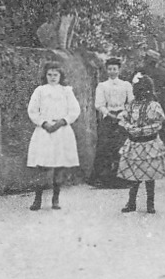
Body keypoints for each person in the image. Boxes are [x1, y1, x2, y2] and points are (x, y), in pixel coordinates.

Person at [26, 61, 81, 211]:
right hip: (44, 131)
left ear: (60, 76)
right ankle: (37, 199)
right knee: (42, 165)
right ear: (45, 75)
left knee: (59, 166)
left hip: (61, 131)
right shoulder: (40, 90)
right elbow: (32, 110)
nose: (52, 77)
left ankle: (55, 199)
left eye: (55, 75)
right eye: (49, 75)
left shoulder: (66, 91)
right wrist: (43, 123)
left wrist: (62, 122)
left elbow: (75, 110)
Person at [116, 74, 165, 214]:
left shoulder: (154, 106)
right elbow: (123, 119)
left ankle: (150, 204)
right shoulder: (132, 105)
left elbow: (158, 124)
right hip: (134, 144)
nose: (141, 94)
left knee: (149, 176)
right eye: (138, 90)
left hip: (149, 144)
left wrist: (143, 130)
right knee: (134, 176)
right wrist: (129, 127)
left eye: (144, 90)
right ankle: (131, 202)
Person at [89, 57, 132, 189]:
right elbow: (99, 104)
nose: (112, 71)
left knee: (122, 147)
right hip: (108, 118)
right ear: (107, 70)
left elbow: (130, 102)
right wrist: (109, 114)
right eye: (110, 69)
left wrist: (123, 114)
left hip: (122, 118)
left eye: (115, 69)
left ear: (119, 70)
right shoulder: (102, 86)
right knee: (104, 147)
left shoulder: (126, 85)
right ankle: (103, 178)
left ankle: (122, 179)